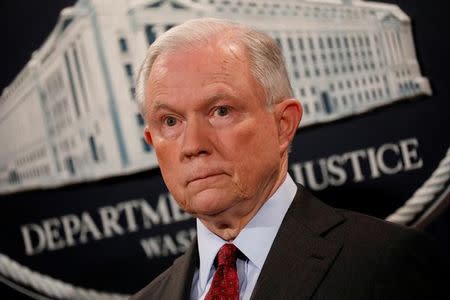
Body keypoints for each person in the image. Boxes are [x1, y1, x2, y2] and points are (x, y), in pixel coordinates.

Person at [131, 18, 447, 300]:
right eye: (170, 121)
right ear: (152, 142)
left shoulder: (383, 262)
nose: (193, 145)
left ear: (283, 125)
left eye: (221, 111)